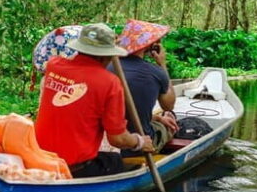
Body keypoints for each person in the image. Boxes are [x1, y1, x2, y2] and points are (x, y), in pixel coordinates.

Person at [35, 23, 154, 178]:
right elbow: (117, 139)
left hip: (40, 158)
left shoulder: (54, 65)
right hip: (75, 168)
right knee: (115, 160)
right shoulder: (110, 83)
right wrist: (139, 141)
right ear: (107, 55)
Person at [116, 19, 179, 155]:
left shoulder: (107, 66)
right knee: (169, 123)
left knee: (157, 117)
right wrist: (162, 65)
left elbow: (122, 112)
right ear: (149, 46)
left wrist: (156, 118)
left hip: (113, 141)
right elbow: (169, 105)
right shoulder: (155, 71)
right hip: (139, 144)